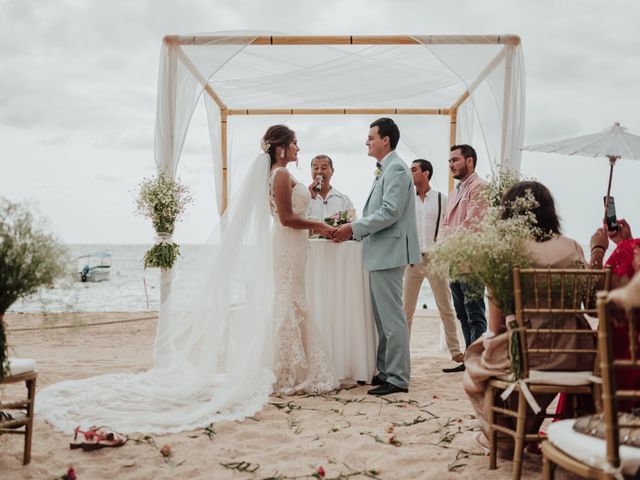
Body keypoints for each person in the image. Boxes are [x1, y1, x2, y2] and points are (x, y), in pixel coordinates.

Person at [37, 125, 338, 434]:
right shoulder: (281, 175)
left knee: (290, 301)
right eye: (295, 144)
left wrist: (313, 208)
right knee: (290, 301)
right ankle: (286, 372)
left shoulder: (277, 175)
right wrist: (323, 226)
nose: (299, 149)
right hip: (288, 246)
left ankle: (287, 368)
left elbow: (288, 210)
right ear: (281, 148)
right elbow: (287, 219)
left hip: (292, 247)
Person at [463, 181, 594, 454]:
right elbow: (592, 306)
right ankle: (523, 431)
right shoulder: (572, 247)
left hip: (530, 352)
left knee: (475, 362)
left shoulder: (506, 253)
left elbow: (496, 325)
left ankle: (502, 437)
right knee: (510, 364)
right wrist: (598, 251)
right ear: (549, 212)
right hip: (577, 353)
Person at [333, 117, 420, 396]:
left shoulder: (395, 168)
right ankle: (385, 371)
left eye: (371, 137)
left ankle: (398, 377)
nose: (367, 142)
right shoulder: (386, 168)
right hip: (381, 251)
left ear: (386, 140)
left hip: (389, 252)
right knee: (383, 320)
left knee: (392, 319)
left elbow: (390, 212)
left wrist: (353, 228)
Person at [402, 159, 463, 365]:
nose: (410, 173)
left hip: (436, 259)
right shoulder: (406, 199)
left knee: (445, 307)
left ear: (426, 173)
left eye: (414, 170)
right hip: (412, 260)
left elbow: (449, 226)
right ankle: (402, 353)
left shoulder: (441, 199)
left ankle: (455, 351)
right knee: (406, 309)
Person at [441, 144, 488, 373]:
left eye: (455, 160)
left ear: (469, 161)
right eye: (449, 161)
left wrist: (446, 242)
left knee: (475, 313)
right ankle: (469, 359)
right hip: (454, 260)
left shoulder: (480, 188)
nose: (451, 164)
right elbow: (446, 224)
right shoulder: (454, 192)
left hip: (472, 261)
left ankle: (477, 360)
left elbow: (472, 224)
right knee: (461, 313)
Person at [307, 154, 354, 219]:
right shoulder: (304, 198)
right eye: (316, 168)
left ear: (332, 171)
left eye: (323, 168)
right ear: (311, 171)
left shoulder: (344, 200)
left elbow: (352, 222)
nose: (319, 171)